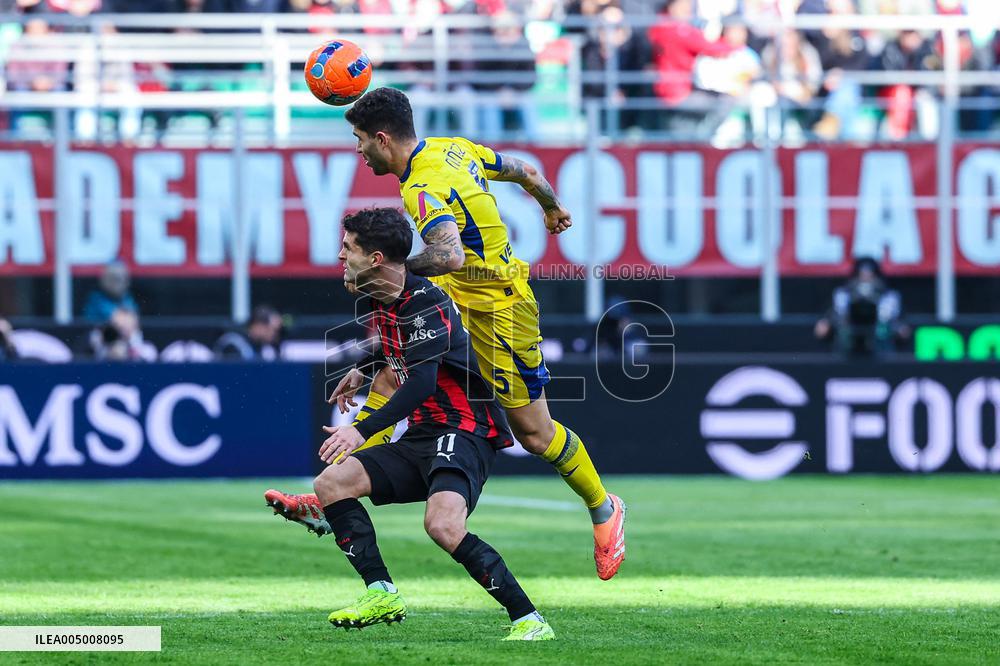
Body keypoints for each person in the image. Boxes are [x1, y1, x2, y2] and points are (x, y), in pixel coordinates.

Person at [270, 86, 627, 581]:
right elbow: (526, 172)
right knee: (391, 372)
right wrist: (551, 207)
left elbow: (449, 254)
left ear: (382, 138)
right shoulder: (453, 148)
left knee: (535, 433)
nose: (358, 150)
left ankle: (604, 507)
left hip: (499, 308)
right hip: (459, 295)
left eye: (360, 140)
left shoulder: (420, 188)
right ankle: (333, 490)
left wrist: (389, 270)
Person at [266, 208, 555, 641]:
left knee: (442, 526)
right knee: (331, 484)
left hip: (464, 429)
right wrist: (364, 367)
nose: (340, 256)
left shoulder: (426, 301)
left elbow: (422, 381)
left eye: (348, 248)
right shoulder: (380, 297)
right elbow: (395, 344)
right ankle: (381, 593)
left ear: (376, 259)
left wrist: (360, 430)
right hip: (423, 434)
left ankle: (530, 620)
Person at [814, 256, 910, 356]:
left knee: (884, 334)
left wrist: (900, 327)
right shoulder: (843, 294)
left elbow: (899, 321)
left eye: (869, 272)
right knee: (842, 334)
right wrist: (826, 322)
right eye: (863, 272)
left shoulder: (889, 296)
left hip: (879, 336)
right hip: (849, 336)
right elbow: (832, 315)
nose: (866, 276)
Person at [213, 304, 284, 361]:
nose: (276, 335)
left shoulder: (265, 348)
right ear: (258, 325)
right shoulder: (232, 343)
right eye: (274, 330)